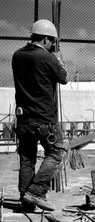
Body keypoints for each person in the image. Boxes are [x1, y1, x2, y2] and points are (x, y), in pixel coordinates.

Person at [12, 19, 68, 211]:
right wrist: (58, 61)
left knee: (27, 158)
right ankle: (35, 192)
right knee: (57, 152)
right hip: (44, 119)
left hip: (23, 119)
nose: (53, 46)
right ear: (45, 38)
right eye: (52, 42)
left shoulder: (17, 55)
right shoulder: (48, 58)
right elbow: (64, 78)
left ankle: (25, 198)